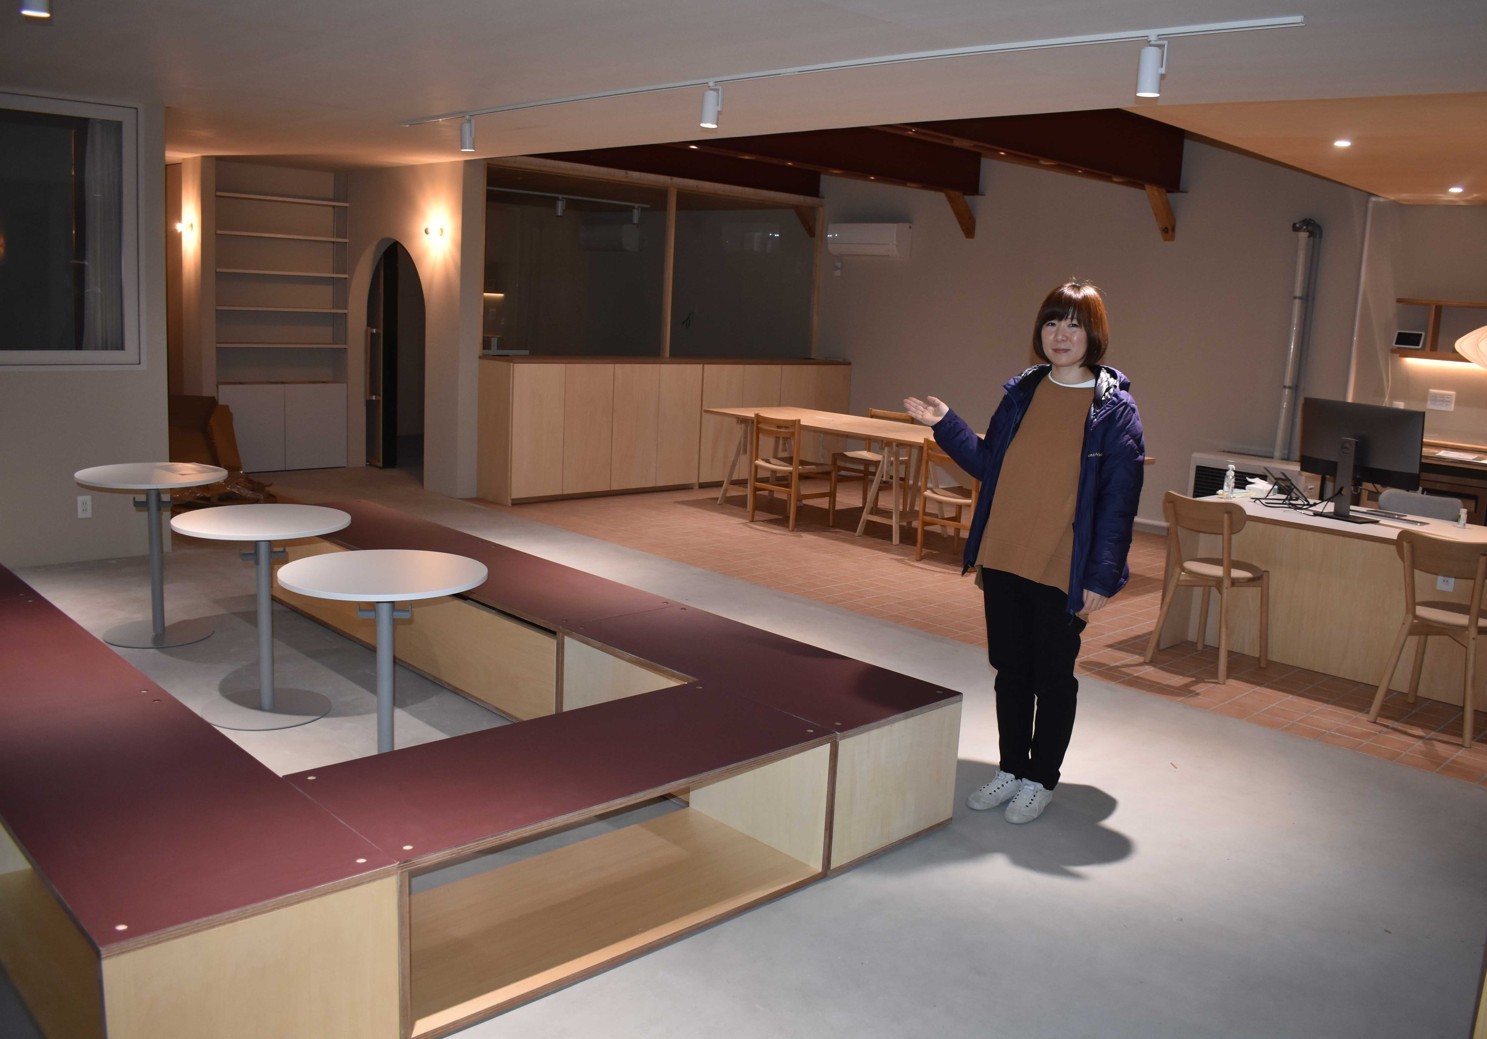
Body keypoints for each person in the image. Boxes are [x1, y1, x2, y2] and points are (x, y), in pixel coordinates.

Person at [904, 280, 1144, 824]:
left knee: (1052, 677)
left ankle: (1041, 778)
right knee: (1010, 670)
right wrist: (946, 425)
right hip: (1005, 552)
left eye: (1074, 324)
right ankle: (1011, 768)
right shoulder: (1023, 391)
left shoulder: (1115, 410)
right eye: (1052, 322)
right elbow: (991, 463)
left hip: (1063, 563)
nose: (1061, 334)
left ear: (1093, 334)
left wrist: (1102, 577)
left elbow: (1119, 502)